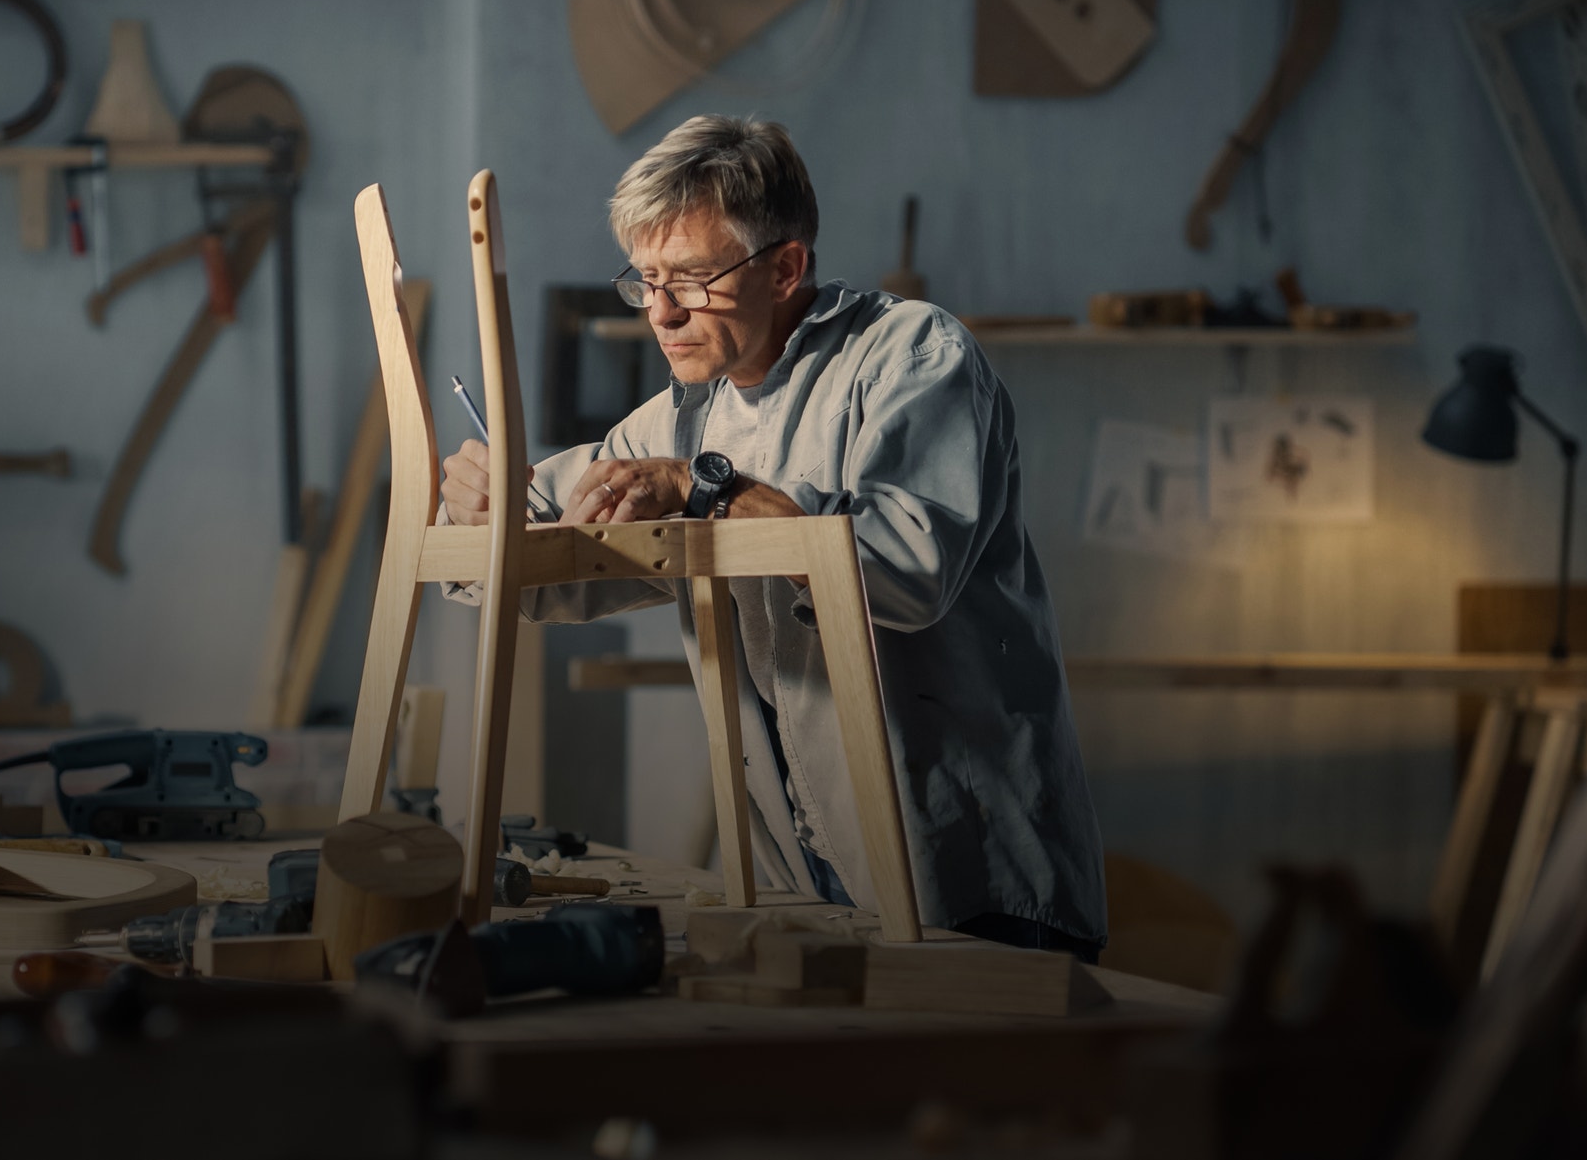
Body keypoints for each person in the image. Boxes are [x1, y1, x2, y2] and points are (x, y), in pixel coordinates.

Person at [440, 115, 1105, 960]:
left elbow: (904, 570)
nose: (661, 312)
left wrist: (701, 488)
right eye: (643, 280)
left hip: (975, 879)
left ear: (786, 264)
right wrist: (478, 513)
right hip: (801, 883)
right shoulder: (677, 415)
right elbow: (559, 563)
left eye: (689, 278)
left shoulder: (913, 358)